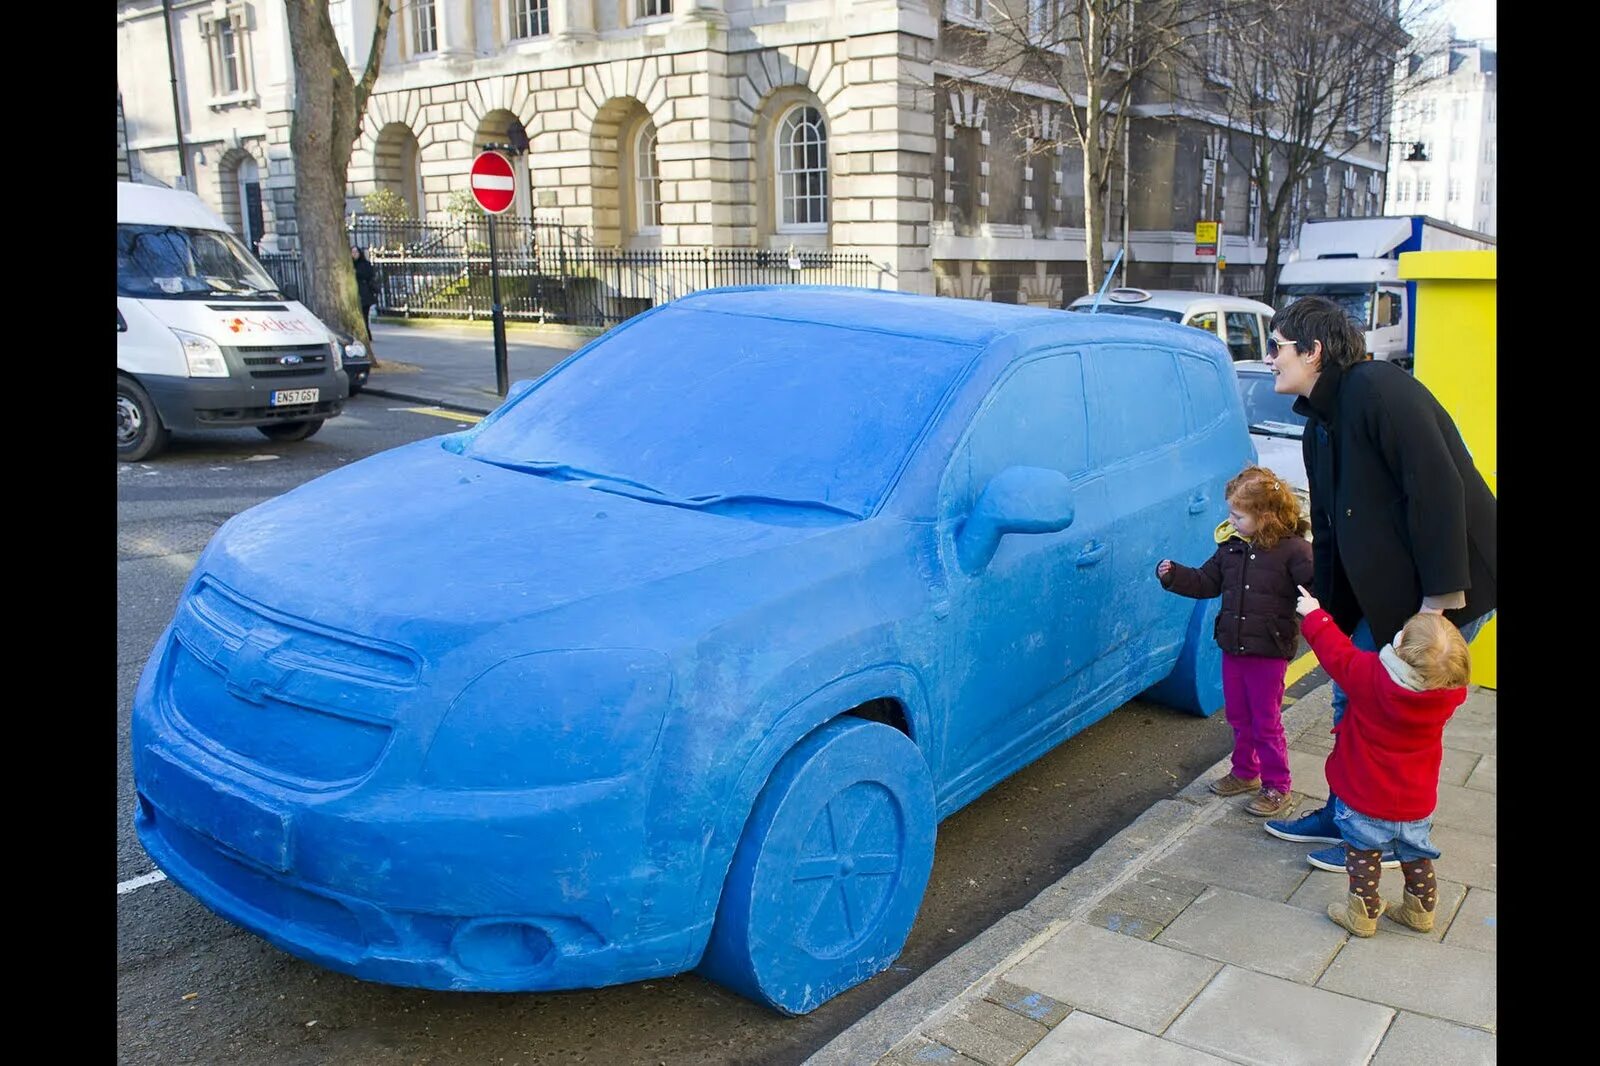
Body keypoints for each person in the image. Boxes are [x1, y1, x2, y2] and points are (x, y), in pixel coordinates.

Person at [1260, 296, 1496, 871]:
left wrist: (1438, 605)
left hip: (1448, 586)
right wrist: (1326, 609)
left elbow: (1438, 487)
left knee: (1387, 716)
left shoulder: (1380, 390)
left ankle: (1384, 840)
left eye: (1278, 347)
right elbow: (1338, 529)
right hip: (1388, 592)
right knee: (1350, 693)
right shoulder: (1319, 422)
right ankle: (1346, 813)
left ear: (1314, 352)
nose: (1269, 359)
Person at [1293, 586, 1470, 937]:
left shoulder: (1371, 677)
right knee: (1416, 855)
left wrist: (1314, 614)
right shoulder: (1449, 695)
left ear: (1401, 648)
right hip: (1417, 803)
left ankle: (1362, 914)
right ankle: (1420, 911)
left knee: (1363, 854)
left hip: (1365, 797)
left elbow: (1336, 651)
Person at [1157, 466, 1313, 818]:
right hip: (1234, 645)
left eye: (1237, 514)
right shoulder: (1232, 548)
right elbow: (1205, 582)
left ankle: (1277, 785)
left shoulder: (1295, 552)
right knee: (1239, 715)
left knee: (1266, 720)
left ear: (1266, 516)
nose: (1231, 520)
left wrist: (1325, 620)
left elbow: (1315, 592)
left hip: (1269, 652)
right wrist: (1174, 576)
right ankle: (1245, 771)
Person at [351, 245, 377, 340]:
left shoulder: (364, 264)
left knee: (364, 315)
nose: (354, 255)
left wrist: (356, 273)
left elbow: (368, 274)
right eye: (352, 253)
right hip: (353, 294)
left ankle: (367, 334)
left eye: (356, 252)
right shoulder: (350, 264)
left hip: (364, 293)